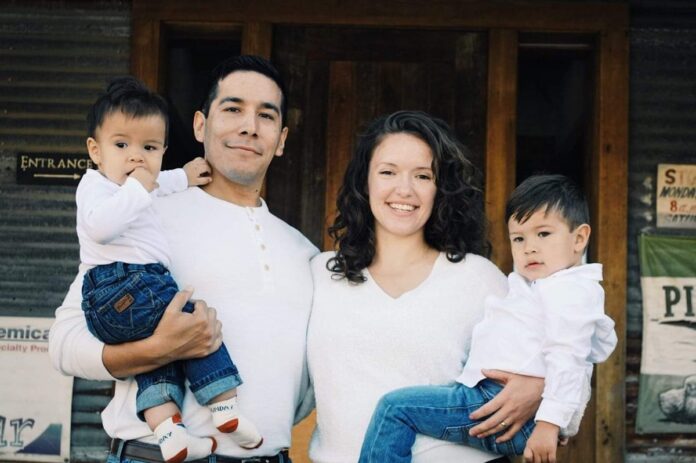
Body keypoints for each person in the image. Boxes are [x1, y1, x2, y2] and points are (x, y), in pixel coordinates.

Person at [49, 55, 318, 463]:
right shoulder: (143, 218)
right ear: (199, 125)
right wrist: (156, 350)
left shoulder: (304, 253)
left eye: (265, 115)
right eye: (232, 109)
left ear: (280, 140)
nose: (249, 126)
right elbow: (64, 344)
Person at [307, 110, 546, 463]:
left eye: (422, 175)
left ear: (440, 189)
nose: (404, 189)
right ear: (364, 181)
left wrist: (540, 387)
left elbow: (558, 351)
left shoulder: (478, 278)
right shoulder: (321, 274)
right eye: (388, 172)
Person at [357, 174, 618, 463]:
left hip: (499, 405)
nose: (529, 247)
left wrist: (550, 423)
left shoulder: (568, 291)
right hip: (503, 402)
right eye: (519, 238)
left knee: (394, 409)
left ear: (579, 238)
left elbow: (570, 356)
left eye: (543, 234)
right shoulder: (541, 287)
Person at [78, 76, 263, 463]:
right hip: (122, 284)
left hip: (123, 297)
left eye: (149, 148)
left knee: (157, 358)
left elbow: (161, 184)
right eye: (121, 145)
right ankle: (225, 408)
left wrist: (185, 176)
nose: (136, 157)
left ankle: (169, 433)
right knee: (194, 322)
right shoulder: (97, 186)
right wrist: (140, 187)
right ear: (95, 151)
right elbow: (99, 226)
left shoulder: (143, 188)